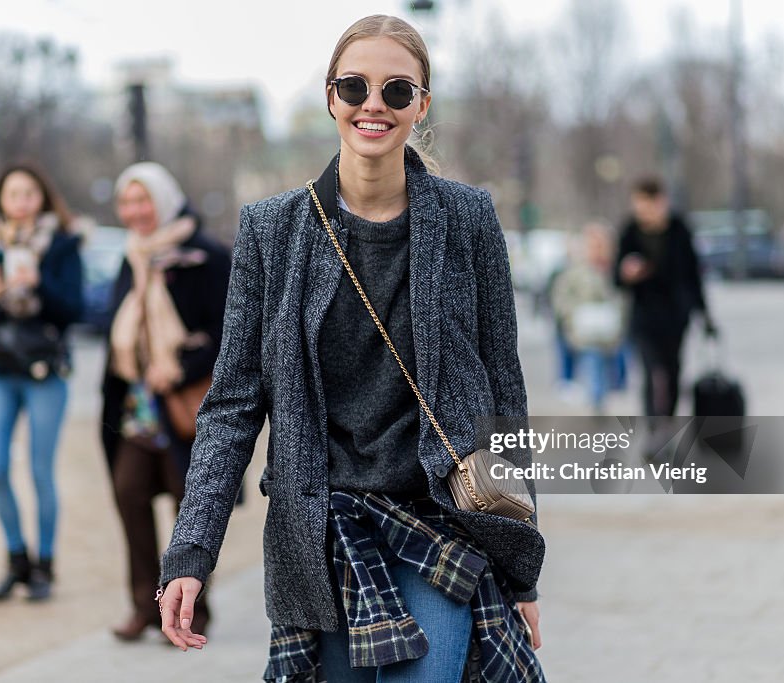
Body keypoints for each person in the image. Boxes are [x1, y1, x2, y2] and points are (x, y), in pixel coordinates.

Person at [157, 14, 546, 682]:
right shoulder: (272, 229)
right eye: (355, 86)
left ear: (422, 106)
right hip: (321, 530)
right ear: (331, 97)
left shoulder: (469, 219)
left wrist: (523, 567)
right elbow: (231, 406)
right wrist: (191, 553)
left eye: (398, 91)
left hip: (441, 520)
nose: (375, 104)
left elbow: (504, 396)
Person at [101, 162, 231, 641]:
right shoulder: (130, 257)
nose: (136, 211)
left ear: (165, 198)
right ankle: (143, 604)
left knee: (190, 504)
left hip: (188, 406)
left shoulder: (206, 255)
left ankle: (192, 609)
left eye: (144, 199)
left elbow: (231, 333)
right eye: (127, 201)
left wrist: (181, 365)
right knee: (129, 492)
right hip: (138, 406)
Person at [0, 163, 84, 601]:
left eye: (29, 193)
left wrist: (40, 283)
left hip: (44, 372)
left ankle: (45, 566)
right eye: (13, 193)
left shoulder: (61, 245)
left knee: (41, 472)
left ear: (42, 198)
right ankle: (16, 558)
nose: (21, 201)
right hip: (0, 369)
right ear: (1, 199)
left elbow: (73, 310)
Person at [614, 177, 715, 417]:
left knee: (672, 371)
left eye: (647, 205)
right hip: (644, 315)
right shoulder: (629, 232)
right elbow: (616, 279)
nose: (642, 211)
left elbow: (693, 275)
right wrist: (628, 273)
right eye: (638, 205)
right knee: (650, 371)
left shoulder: (679, 230)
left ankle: (667, 420)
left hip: (676, 315)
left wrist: (704, 313)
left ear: (661, 202)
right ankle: (652, 425)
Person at [551, 221, 628, 413]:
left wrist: (618, 314)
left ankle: (605, 400)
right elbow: (561, 297)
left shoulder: (615, 270)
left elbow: (624, 297)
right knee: (594, 366)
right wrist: (573, 316)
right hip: (585, 331)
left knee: (614, 374)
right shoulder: (575, 271)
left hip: (612, 331)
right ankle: (597, 405)